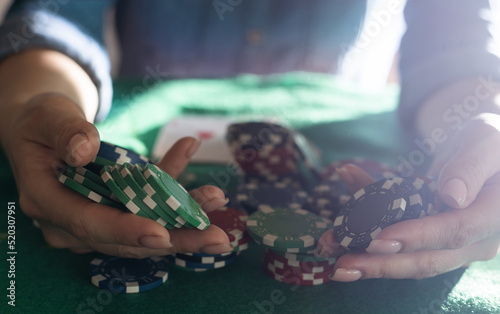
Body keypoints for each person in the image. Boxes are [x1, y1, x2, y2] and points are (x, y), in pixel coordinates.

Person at [0, 0, 499, 282]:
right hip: (143, 121)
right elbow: (55, 18)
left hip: (338, 128)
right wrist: (36, 103)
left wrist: (480, 118)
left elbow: (455, 38)